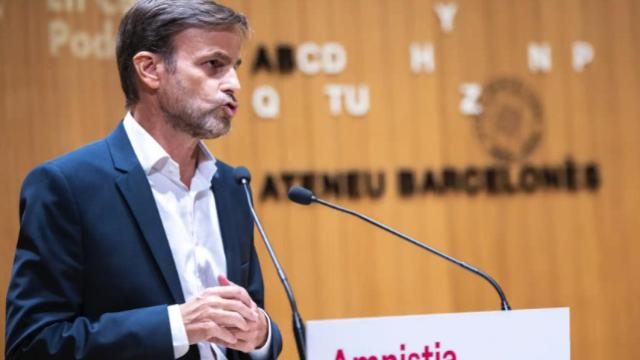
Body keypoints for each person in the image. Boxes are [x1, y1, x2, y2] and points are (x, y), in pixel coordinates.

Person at [5, 1, 282, 359]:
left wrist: (260, 334)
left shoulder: (230, 185)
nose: (234, 85)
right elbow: (33, 344)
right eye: (214, 65)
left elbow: (250, 321)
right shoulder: (67, 187)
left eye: (234, 67)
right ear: (150, 69)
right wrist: (177, 326)